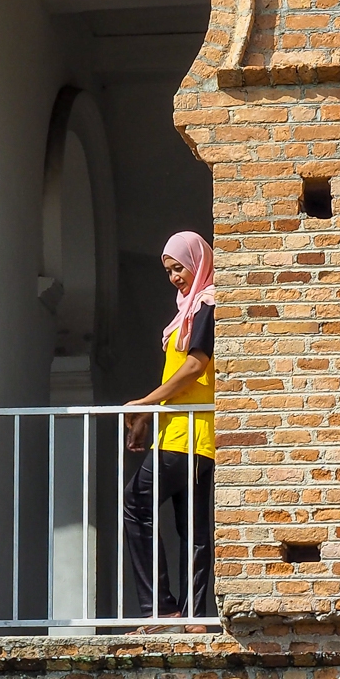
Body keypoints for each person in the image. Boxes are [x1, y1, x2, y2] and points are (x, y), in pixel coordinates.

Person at [122, 230, 217, 623]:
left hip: (187, 436)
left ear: (198, 262)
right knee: (191, 528)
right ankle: (192, 616)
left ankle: (160, 609)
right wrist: (150, 415)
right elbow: (183, 376)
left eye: (180, 267)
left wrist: (145, 404)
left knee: (135, 504)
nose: (175, 277)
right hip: (184, 433)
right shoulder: (189, 310)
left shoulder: (207, 304)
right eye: (169, 271)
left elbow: (195, 366)